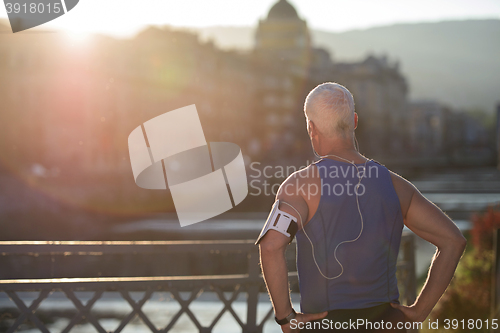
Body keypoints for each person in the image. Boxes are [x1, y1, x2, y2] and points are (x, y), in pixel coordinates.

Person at [257, 82, 467, 332]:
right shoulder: (395, 185)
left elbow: (270, 246)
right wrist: (419, 312)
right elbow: (453, 241)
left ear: (311, 128)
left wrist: (286, 318)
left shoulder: (300, 186)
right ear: (354, 121)